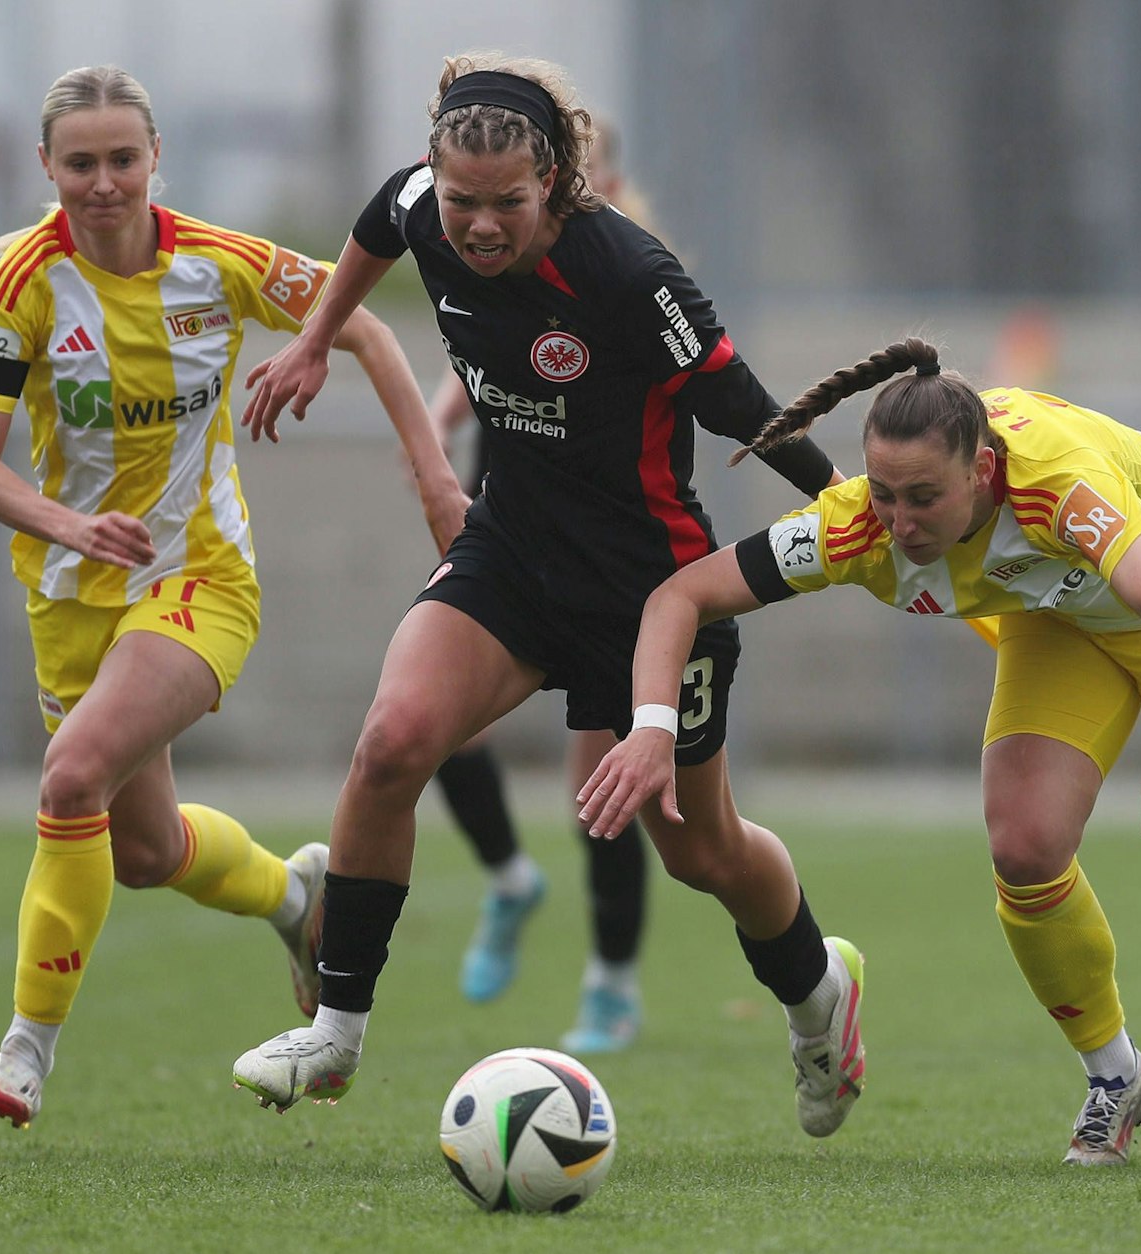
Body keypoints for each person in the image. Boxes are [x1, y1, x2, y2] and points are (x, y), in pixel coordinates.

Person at [580, 335, 1141, 1165]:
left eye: (924, 498)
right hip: (1068, 617)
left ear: (986, 472)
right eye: (885, 494)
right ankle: (1115, 1077)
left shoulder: (1058, 488)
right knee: (1023, 844)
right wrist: (655, 727)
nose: (899, 523)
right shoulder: (858, 528)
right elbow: (678, 598)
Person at [229, 53, 868, 1139]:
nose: (476, 227)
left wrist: (857, 511)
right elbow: (376, 225)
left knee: (700, 852)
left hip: (649, 588)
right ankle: (336, 1030)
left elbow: (743, 407)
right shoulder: (421, 201)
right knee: (391, 743)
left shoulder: (629, 274)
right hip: (511, 554)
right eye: (462, 200)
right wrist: (311, 339)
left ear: (560, 183)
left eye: (506, 205)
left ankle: (818, 1002)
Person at [0, 65, 465, 1129]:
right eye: (80, 164)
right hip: (69, 592)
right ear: (46, 170)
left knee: (71, 775)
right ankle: (294, 897)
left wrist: (431, 476)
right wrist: (68, 525)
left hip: (196, 581)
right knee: (139, 853)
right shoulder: (20, 286)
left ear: (154, 162)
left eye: (122, 160)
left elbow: (364, 324)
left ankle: (23, 1052)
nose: (103, 184)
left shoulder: (218, 263)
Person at [426, 119, 653, 1053]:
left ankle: (611, 985)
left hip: (602, 552)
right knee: (426, 725)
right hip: (506, 529)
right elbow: (478, 365)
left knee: (598, 783)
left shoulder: (628, 267)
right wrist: (440, 421)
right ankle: (510, 876)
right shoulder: (498, 259)